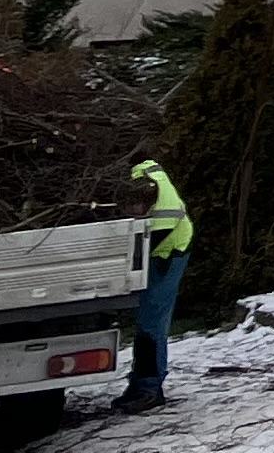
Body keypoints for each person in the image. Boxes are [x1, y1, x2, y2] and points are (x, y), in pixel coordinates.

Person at [113, 155, 190, 413]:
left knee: (153, 322)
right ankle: (140, 384)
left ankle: (150, 389)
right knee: (147, 322)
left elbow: (151, 239)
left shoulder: (148, 188)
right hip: (165, 251)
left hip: (169, 254)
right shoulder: (146, 179)